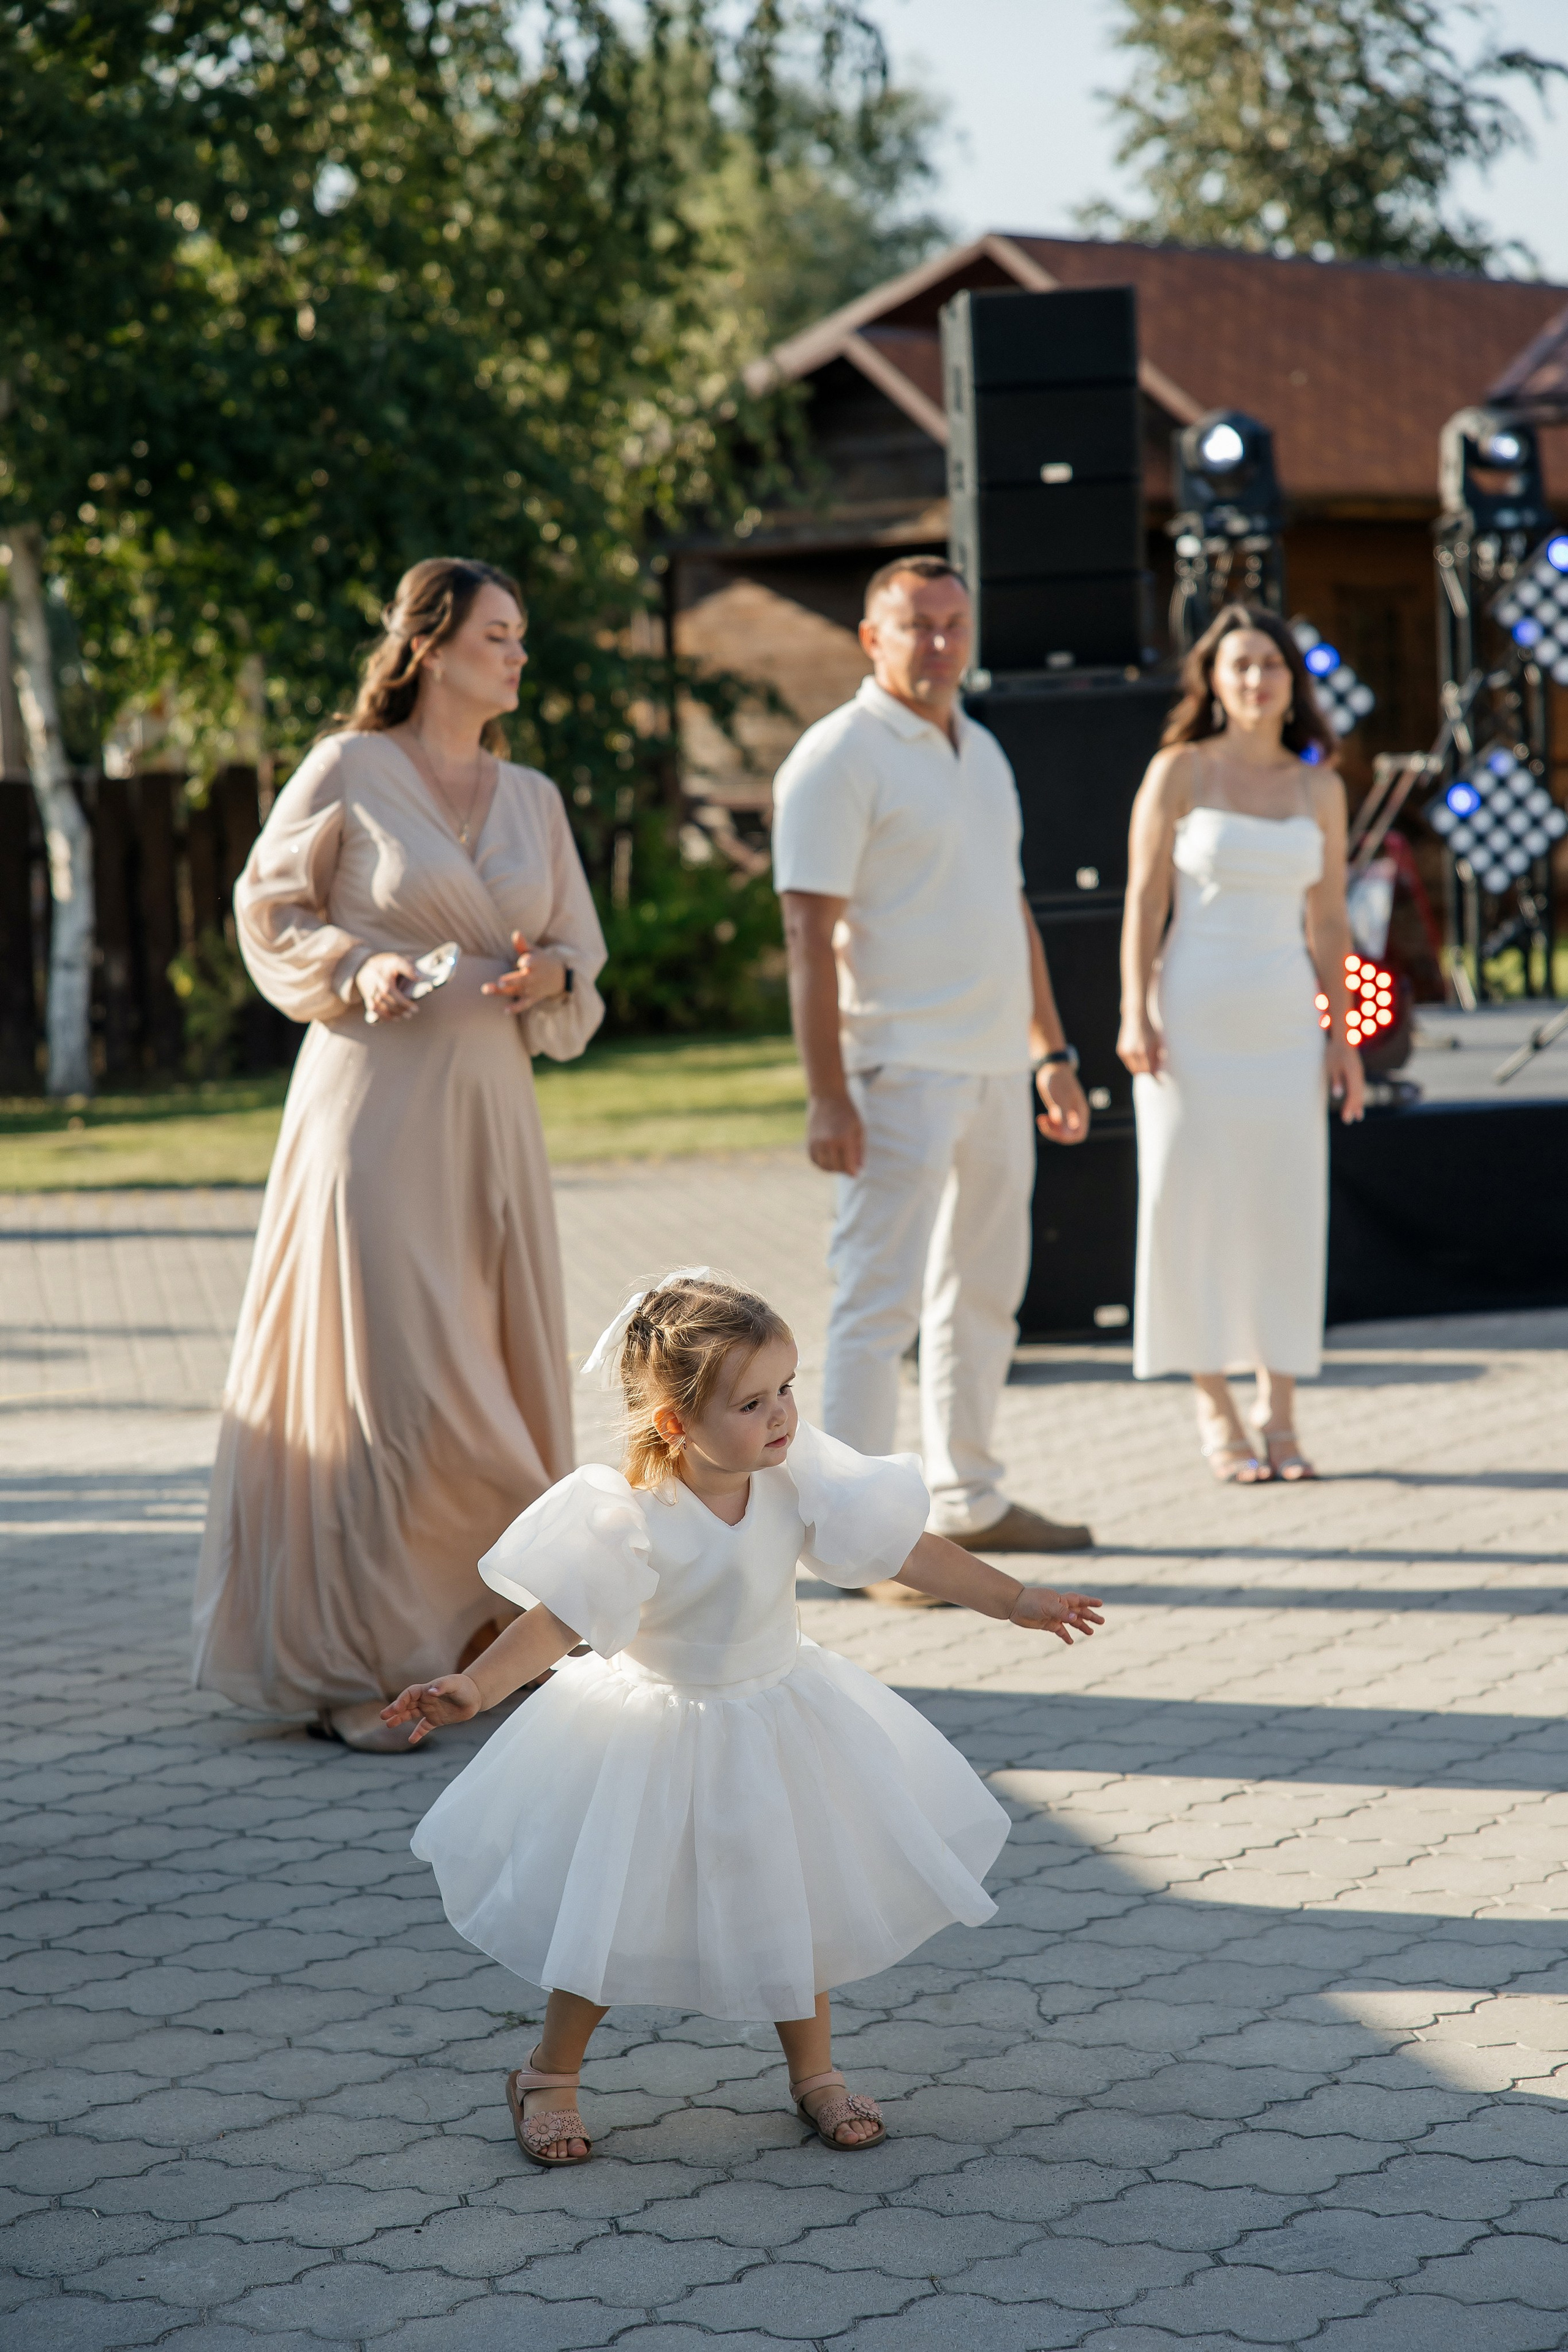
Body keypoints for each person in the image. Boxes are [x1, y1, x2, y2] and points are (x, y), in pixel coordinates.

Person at [387, 1270, 1104, 2163]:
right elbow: (559, 1619)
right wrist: (478, 1688)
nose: (781, 1417)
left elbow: (906, 1551)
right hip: (654, 1737)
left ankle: (814, 2074)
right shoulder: (633, 1518)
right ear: (675, 1425)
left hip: (775, 1720)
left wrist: (1015, 1599)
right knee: (614, 1910)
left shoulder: (795, 1483)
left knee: (788, 1896)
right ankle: (549, 2073)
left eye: (787, 1391)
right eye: (753, 1402)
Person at [193, 557, 607, 1749]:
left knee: (484, 1358)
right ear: (430, 646)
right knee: (393, 1373)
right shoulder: (349, 770)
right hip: (371, 1099)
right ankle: (367, 1657)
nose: (519, 653)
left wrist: (551, 976)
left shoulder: (532, 798)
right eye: (497, 634)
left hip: (489, 1107)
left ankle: (475, 1638)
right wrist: (355, 966)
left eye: (523, 634)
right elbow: (270, 908)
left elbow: (582, 949)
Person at [771, 554, 1095, 1584]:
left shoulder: (985, 753)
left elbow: (1010, 913)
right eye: (917, 625)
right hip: (896, 1071)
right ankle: (857, 1543)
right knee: (879, 1307)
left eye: (955, 622)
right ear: (873, 638)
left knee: (986, 1293)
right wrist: (828, 1092)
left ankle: (973, 1498)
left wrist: (1053, 1050)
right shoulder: (836, 756)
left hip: (1002, 1067)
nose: (941, 642)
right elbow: (805, 936)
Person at [1117, 603, 1366, 1483]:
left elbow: (1330, 920)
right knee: (1189, 1202)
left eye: (1271, 663)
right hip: (1188, 1013)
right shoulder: (1178, 769)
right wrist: (1131, 1010)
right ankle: (1214, 1405)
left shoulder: (1321, 787)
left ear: (1293, 680)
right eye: (1239, 664)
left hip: (1285, 1021)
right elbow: (1144, 900)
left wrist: (1345, 1035)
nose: (1256, 678)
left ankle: (1282, 1410)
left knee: (1284, 1209)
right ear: (1213, 681)